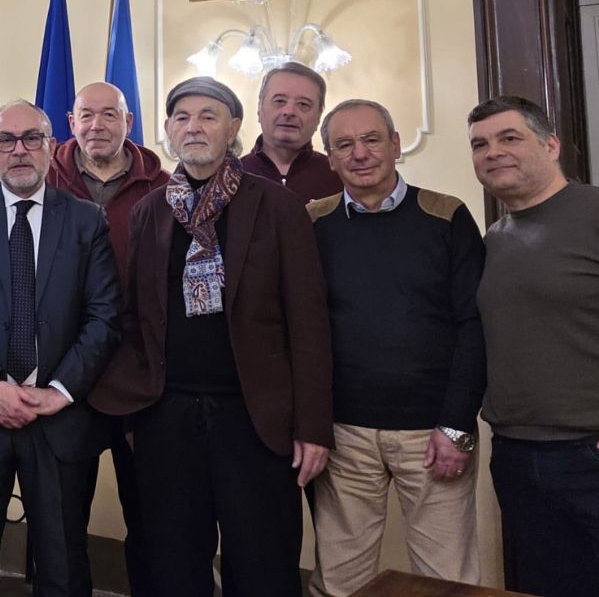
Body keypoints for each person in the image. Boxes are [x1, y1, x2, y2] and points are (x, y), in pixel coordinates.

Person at [96, 76, 332, 597]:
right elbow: (134, 317)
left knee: (263, 568)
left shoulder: (277, 207)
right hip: (167, 418)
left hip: (256, 420)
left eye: (208, 116)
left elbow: (309, 323)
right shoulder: (150, 211)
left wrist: (313, 427)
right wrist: (135, 412)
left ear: (234, 129)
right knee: (174, 568)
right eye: (182, 117)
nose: (194, 127)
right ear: (167, 130)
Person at [0, 100, 120, 597]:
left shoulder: (87, 220)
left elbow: (104, 316)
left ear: (51, 146)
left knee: (63, 563)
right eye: (5, 140)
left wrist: (60, 390)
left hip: (59, 420)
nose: (19, 150)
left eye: (31, 138)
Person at [307, 99, 485, 596]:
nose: (360, 153)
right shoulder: (313, 222)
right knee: (340, 580)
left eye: (371, 140)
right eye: (344, 144)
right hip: (344, 434)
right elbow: (301, 326)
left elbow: (474, 324)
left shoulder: (446, 216)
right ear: (330, 158)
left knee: (446, 580)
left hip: (432, 433)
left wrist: (456, 426)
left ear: (395, 144)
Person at [468, 95, 599, 597]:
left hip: (594, 457)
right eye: (480, 144)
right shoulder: (494, 239)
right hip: (516, 455)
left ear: (551, 145)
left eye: (510, 138)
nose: (493, 152)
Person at [49, 81, 167, 597]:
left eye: (109, 114)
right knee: (60, 517)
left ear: (129, 122)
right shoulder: (40, 182)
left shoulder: (164, 188)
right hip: (62, 373)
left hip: (139, 376)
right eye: (86, 115)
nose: (97, 125)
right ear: (70, 123)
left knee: (150, 514)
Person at [240, 61, 342, 201]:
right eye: (280, 101)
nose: (289, 112)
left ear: (319, 116)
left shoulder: (338, 177)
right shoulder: (233, 176)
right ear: (260, 109)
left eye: (303, 104)